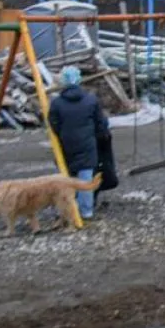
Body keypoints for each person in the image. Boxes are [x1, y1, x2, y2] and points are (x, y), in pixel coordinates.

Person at [48, 66, 111, 220]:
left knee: (66, 178)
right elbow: (100, 123)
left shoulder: (56, 103)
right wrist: (98, 136)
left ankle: (66, 209)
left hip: (66, 144)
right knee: (85, 178)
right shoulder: (90, 100)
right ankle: (86, 211)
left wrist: (63, 135)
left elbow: (53, 124)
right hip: (87, 143)